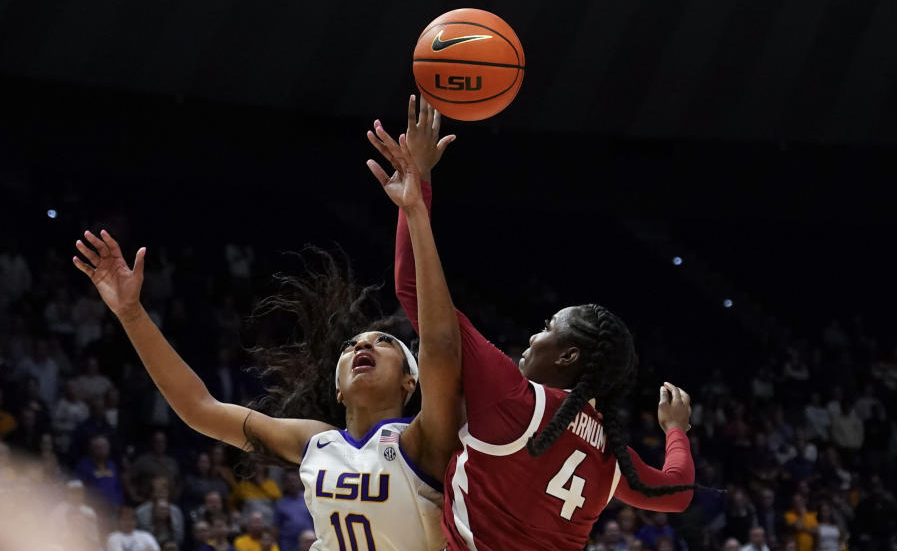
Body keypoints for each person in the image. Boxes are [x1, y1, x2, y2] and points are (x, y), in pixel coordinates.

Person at [71, 124, 463, 551]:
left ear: (411, 380)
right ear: (338, 390)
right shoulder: (317, 442)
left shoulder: (423, 438)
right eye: (351, 346)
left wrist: (416, 209)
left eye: (383, 342)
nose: (362, 346)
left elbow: (441, 347)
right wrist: (131, 313)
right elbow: (199, 408)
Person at [373, 96, 695, 551]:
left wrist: (419, 186)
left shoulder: (515, 399)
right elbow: (678, 493)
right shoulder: (610, 451)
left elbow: (412, 290)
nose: (532, 336)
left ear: (568, 355)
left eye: (547, 326)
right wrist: (676, 430)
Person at [274, 470, 312, 551]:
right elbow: (276, 528)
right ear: (286, 484)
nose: (292, 484)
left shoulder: (308, 500)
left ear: (300, 482)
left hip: (308, 544)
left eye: (295, 480)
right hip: (288, 545)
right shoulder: (280, 503)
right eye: (290, 481)